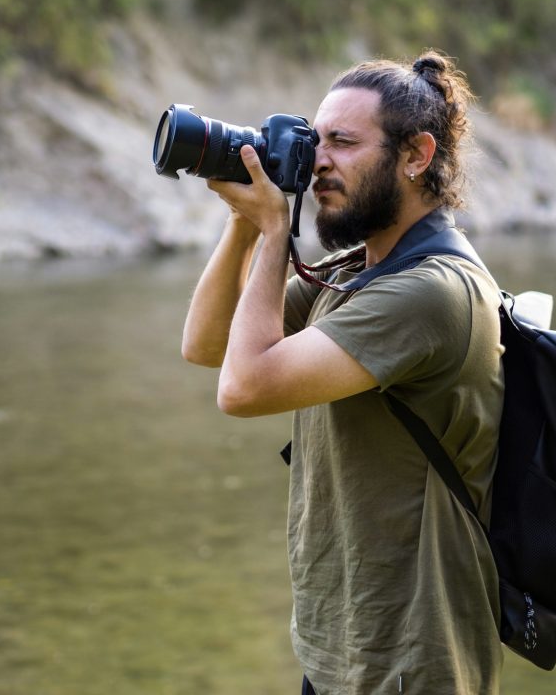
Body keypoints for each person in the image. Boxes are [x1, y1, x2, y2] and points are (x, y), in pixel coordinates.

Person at [181, 51, 505, 694]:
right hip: (341, 650)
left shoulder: (431, 293)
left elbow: (244, 390)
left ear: (416, 155)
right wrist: (245, 224)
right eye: (314, 140)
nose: (317, 162)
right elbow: (209, 345)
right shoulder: (356, 273)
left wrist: (277, 230)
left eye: (343, 143)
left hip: (413, 663)